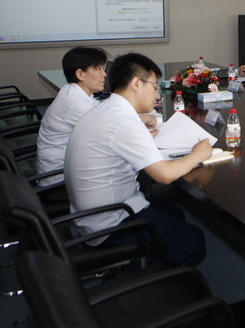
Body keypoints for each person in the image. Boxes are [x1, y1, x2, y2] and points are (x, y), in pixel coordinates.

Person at [64, 52, 212, 266]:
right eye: (154, 87)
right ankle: (151, 278)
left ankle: (151, 258)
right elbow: (165, 175)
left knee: (175, 213)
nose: (157, 95)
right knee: (194, 242)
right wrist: (198, 154)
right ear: (136, 84)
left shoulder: (105, 108)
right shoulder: (124, 122)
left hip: (89, 212)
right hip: (109, 222)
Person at [36, 47, 108, 187]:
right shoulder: (76, 103)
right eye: (98, 69)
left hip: (67, 169)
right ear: (80, 74)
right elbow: (113, 130)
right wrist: (141, 119)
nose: (104, 74)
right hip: (60, 182)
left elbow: (100, 110)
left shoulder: (71, 90)